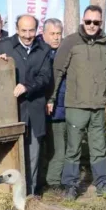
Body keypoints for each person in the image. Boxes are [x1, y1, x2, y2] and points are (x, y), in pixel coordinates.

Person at [49, 5, 106, 201]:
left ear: (101, 23)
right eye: (88, 21)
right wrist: (51, 98)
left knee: (99, 148)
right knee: (73, 149)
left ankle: (102, 185)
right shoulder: (70, 42)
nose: (91, 25)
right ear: (83, 20)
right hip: (75, 105)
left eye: (96, 22)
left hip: (98, 106)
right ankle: (70, 186)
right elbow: (58, 72)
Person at [0, 15, 52, 196]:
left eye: (31, 31)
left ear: (37, 30)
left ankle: (30, 196)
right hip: (12, 110)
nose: (28, 35)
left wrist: (27, 86)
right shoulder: (5, 45)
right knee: (12, 154)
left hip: (35, 109)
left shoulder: (44, 49)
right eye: (24, 30)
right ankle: (9, 197)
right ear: (17, 29)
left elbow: (45, 77)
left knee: (33, 155)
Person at [40, 18, 66, 192]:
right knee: (41, 148)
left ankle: (53, 181)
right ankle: (42, 179)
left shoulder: (66, 52)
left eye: (59, 34)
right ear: (44, 35)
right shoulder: (38, 53)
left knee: (59, 147)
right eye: (53, 34)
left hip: (61, 109)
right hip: (40, 108)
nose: (56, 38)